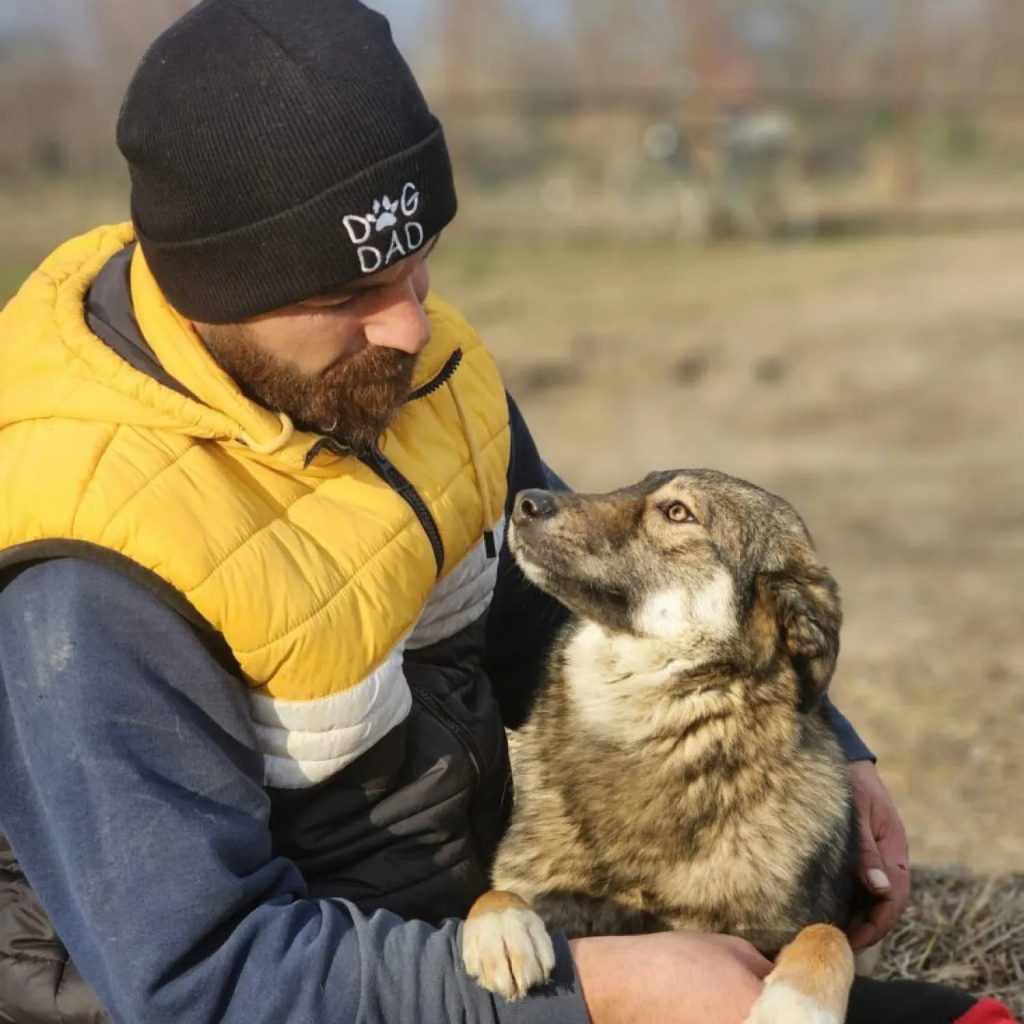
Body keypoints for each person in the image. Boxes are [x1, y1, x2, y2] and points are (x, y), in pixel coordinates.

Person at [0, 2, 1014, 1023]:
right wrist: (602, 993)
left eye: (418, 260)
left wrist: (814, 737)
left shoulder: (407, 375)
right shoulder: (84, 584)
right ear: (212, 289)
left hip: (496, 944)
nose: (409, 325)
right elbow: (208, 985)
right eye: (350, 291)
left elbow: (554, 614)